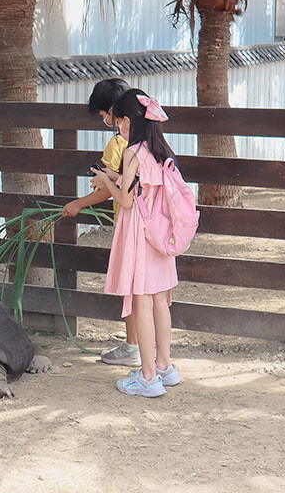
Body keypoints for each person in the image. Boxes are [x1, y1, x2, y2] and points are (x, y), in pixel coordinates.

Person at [91, 88, 181, 397]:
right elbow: (147, 188)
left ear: (128, 121)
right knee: (159, 300)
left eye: (118, 122)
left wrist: (106, 181)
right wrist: (116, 177)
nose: (117, 127)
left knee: (141, 301)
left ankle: (147, 377)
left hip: (140, 233)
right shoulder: (161, 150)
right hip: (161, 234)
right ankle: (165, 367)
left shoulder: (132, 153)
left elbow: (126, 201)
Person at [61, 78, 141, 368]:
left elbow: (107, 188)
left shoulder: (119, 142)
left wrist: (77, 204)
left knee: (130, 286)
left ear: (112, 111)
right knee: (144, 287)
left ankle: (134, 346)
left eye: (103, 116)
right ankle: (144, 346)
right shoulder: (146, 137)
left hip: (128, 224)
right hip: (147, 224)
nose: (105, 121)